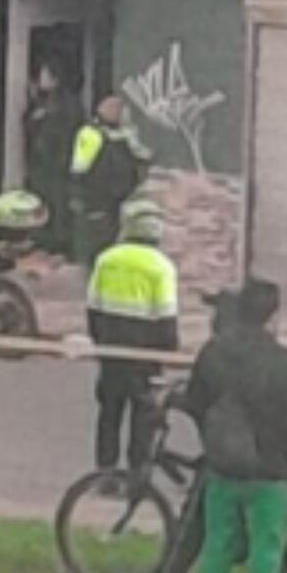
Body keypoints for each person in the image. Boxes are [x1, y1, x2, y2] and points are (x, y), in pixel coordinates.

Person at [182, 278, 287, 573]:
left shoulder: (213, 353)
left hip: (223, 466)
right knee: (266, 549)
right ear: (272, 317)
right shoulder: (284, 362)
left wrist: (214, 441)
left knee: (218, 544)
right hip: (269, 470)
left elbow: (195, 401)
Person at [86, 198, 181, 480]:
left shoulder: (106, 259)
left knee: (109, 414)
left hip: (111, 353)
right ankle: (137, 476)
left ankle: (105, 472)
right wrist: (167, 354)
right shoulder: (161, 267)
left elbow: (93, 308)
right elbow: (166, 317)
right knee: (143, 418)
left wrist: (100, 344)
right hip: (144, 358)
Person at [70, 96, 152, 264]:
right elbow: (80, 168)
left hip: (117, 199)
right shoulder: (92, 134)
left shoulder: (124, 133)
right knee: (101, 241)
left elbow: (141, 155)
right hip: (100, 199)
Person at [22, 63, 81, 254]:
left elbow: (67, 132)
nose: (40, 79)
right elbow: (28, 124)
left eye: (44, 75)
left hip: (57, 163)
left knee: (57, 202)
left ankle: (58, 242)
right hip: (41, 163)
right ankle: (42, 239)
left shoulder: (67, 103)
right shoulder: (40, 101)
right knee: (41, 200)